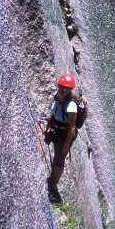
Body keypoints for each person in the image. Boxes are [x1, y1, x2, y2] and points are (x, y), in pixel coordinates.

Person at [43, 74, 77, 203]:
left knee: (59, 160)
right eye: (62, 87)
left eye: (67, 88)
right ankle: (52, 180)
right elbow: (52, 113)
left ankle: (52, 185)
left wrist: (65, 145)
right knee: (56, 157)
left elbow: (72, 127)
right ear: (59, 86)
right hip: (57, 130)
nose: (64, 90)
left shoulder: (71, 106)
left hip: (65, 134)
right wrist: (47, 127)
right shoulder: (58, 97)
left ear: (70, 90)